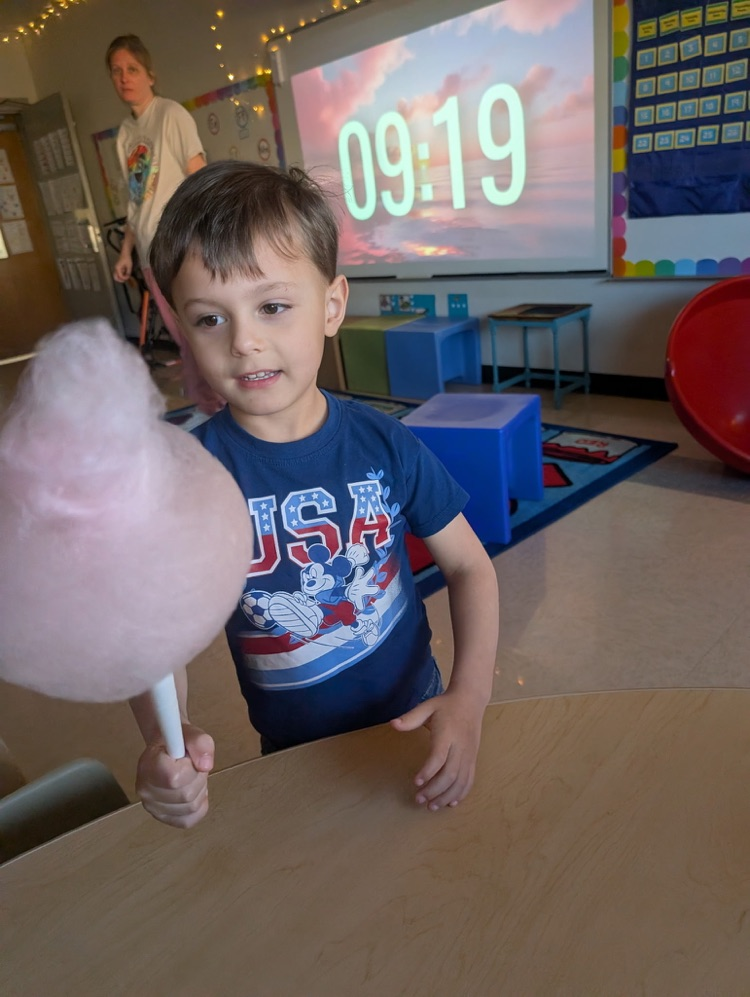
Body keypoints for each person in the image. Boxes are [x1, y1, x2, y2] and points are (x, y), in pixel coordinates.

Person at [131, 160, 500, 828]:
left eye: (272, 306)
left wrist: (469, 696)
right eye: (210, 319)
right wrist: (166, 737)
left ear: (331, 306)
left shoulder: (384, 444)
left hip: (414, 724)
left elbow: (470, 565)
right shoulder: (190, 482)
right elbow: (153, 645)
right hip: (292, 755)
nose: (245, 341)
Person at [105, 35, 215, 409]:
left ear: (149, 74)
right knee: (184, 339)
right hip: (152, 254)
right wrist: (125, 252)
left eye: (131, 69)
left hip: (183, 247)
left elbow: (198, 176)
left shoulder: (170, 114)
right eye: (116, 72)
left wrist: (202, 237)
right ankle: (210, 409)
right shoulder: (124, 135)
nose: (124, 78)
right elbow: (136, 200)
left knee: (204, 332)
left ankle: (225, 405)